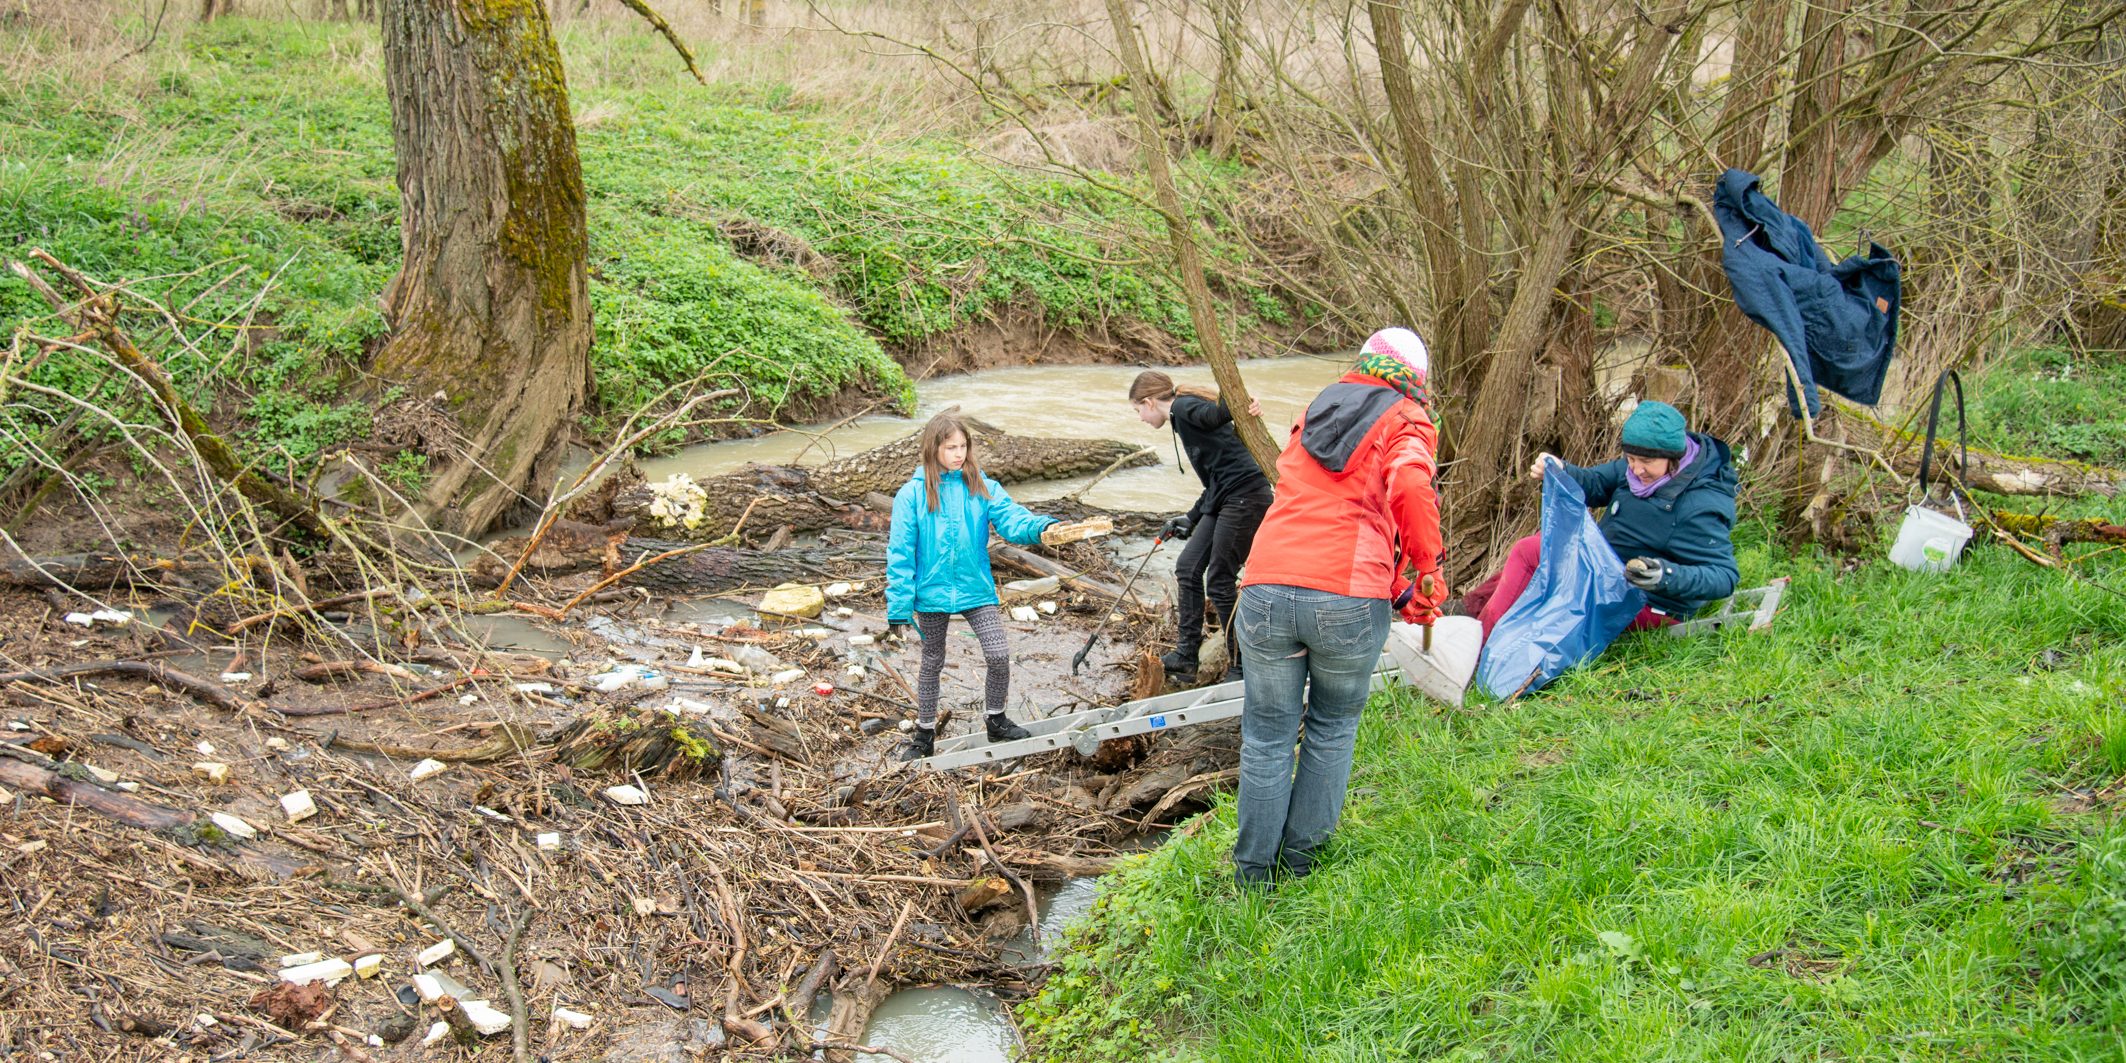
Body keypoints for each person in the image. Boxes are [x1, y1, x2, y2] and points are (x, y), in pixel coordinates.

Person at [1230, 327, 1445, 886]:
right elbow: (1412, 488)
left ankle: (1253, 874)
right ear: (1414, 379)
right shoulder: (1406, 419)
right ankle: (1301, 867)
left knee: (1267, 736)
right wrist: (1428, 569)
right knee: (1329, 729)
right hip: (1346, 597)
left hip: (1266, 584)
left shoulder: (1318, 405)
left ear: (1362, 363)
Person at [1459, 400, 1739, 639]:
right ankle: (1468, 614)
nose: (1636, 469)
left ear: (1673, 458)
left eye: (1646, 462)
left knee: (1530, 550)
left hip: (1648, 603)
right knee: (1542, 556)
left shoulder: (1699, 503)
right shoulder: (1633, 470)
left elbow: (1724, 576)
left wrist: (1662, 575)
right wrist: (1560, 470)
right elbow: (1594, 484)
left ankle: (1479, 645)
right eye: (1630, 458)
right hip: (1606, 571)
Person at [885, 412, 1062, 760]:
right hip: (931, 593)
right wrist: (898, 607)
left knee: (998, 655)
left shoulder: (981, 486)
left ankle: (995, 720)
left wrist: (1044, 527)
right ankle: (923, 735)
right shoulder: (912, 495)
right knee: (932, 662)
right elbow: (900, 554)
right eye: (950, 447)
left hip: (975, 589)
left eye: (963, 446)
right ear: (933, 448)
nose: (958, 454)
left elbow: (1013, 520)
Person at [1127, 371, 1272, 681]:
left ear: (1149, 402)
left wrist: (1244, 405)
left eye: (1137, 410)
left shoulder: (1183, 408)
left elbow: (1218, 412)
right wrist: (1190, 518)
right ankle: (1186, 655)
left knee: (1219, 580)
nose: (1140, 418)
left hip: (1246, 495)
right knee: (1188, 566)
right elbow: (1215, 480)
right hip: (1226, 495)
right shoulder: (1182, 417)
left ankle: (1240, 663)